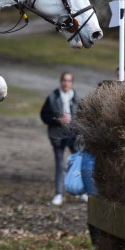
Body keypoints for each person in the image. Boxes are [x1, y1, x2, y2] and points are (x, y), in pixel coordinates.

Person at [40, 71, 81, 206]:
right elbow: (44, 115)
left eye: (69, 80)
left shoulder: (77, 97)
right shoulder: (52, 97)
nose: (66, 83)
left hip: (74, 135)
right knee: (60, 165)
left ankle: (81, 191)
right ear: (60, 81)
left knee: (78, 163)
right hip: (57, 135)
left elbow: (83, 116)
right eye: (64, 80)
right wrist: (58, 120)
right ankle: (58, 193)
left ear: (72, 83)